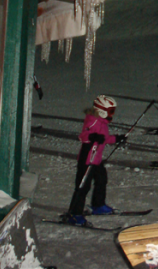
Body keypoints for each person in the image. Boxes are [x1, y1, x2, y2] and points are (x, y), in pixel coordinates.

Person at [66, 95, 127, 226]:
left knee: (101, 179)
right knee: (83, 187)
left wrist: (116, 138)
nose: (112, 114)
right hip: (87, 159)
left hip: (96, 160)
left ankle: (98, 205)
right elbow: (83, 136)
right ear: (102, 110)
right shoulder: (92, 120)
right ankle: (74, 214)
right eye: (111, 111)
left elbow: (103, 139)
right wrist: (93, 136)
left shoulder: (102, 122)